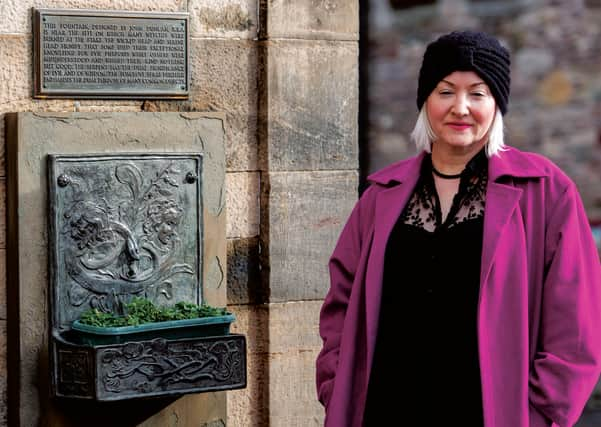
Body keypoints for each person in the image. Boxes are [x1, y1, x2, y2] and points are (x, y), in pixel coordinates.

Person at [315, 30, 601, 427]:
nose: (460, 108)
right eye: (445, 91)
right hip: (387, 408)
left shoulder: (546, 192)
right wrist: (336, 386)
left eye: (477, 93)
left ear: (497, 104)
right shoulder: (381, 196)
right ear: (426, 102)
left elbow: (576, 327)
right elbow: (340, 304)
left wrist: (540, 414)